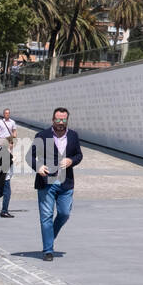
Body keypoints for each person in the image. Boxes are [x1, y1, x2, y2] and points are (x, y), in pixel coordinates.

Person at [26, 108, 83, 261]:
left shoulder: (73, 135)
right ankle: (48, 250)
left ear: (67, 120)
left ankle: (50, 237)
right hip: (46, 182)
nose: (60, 123)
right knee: (46, 217)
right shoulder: (42, 136)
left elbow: (79, 155)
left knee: (64, 214)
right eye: (57, 120)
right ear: (52, 120)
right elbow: (29, 156)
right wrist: (38, 167)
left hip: (66, 182)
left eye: (63, 120)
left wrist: (71, 161)